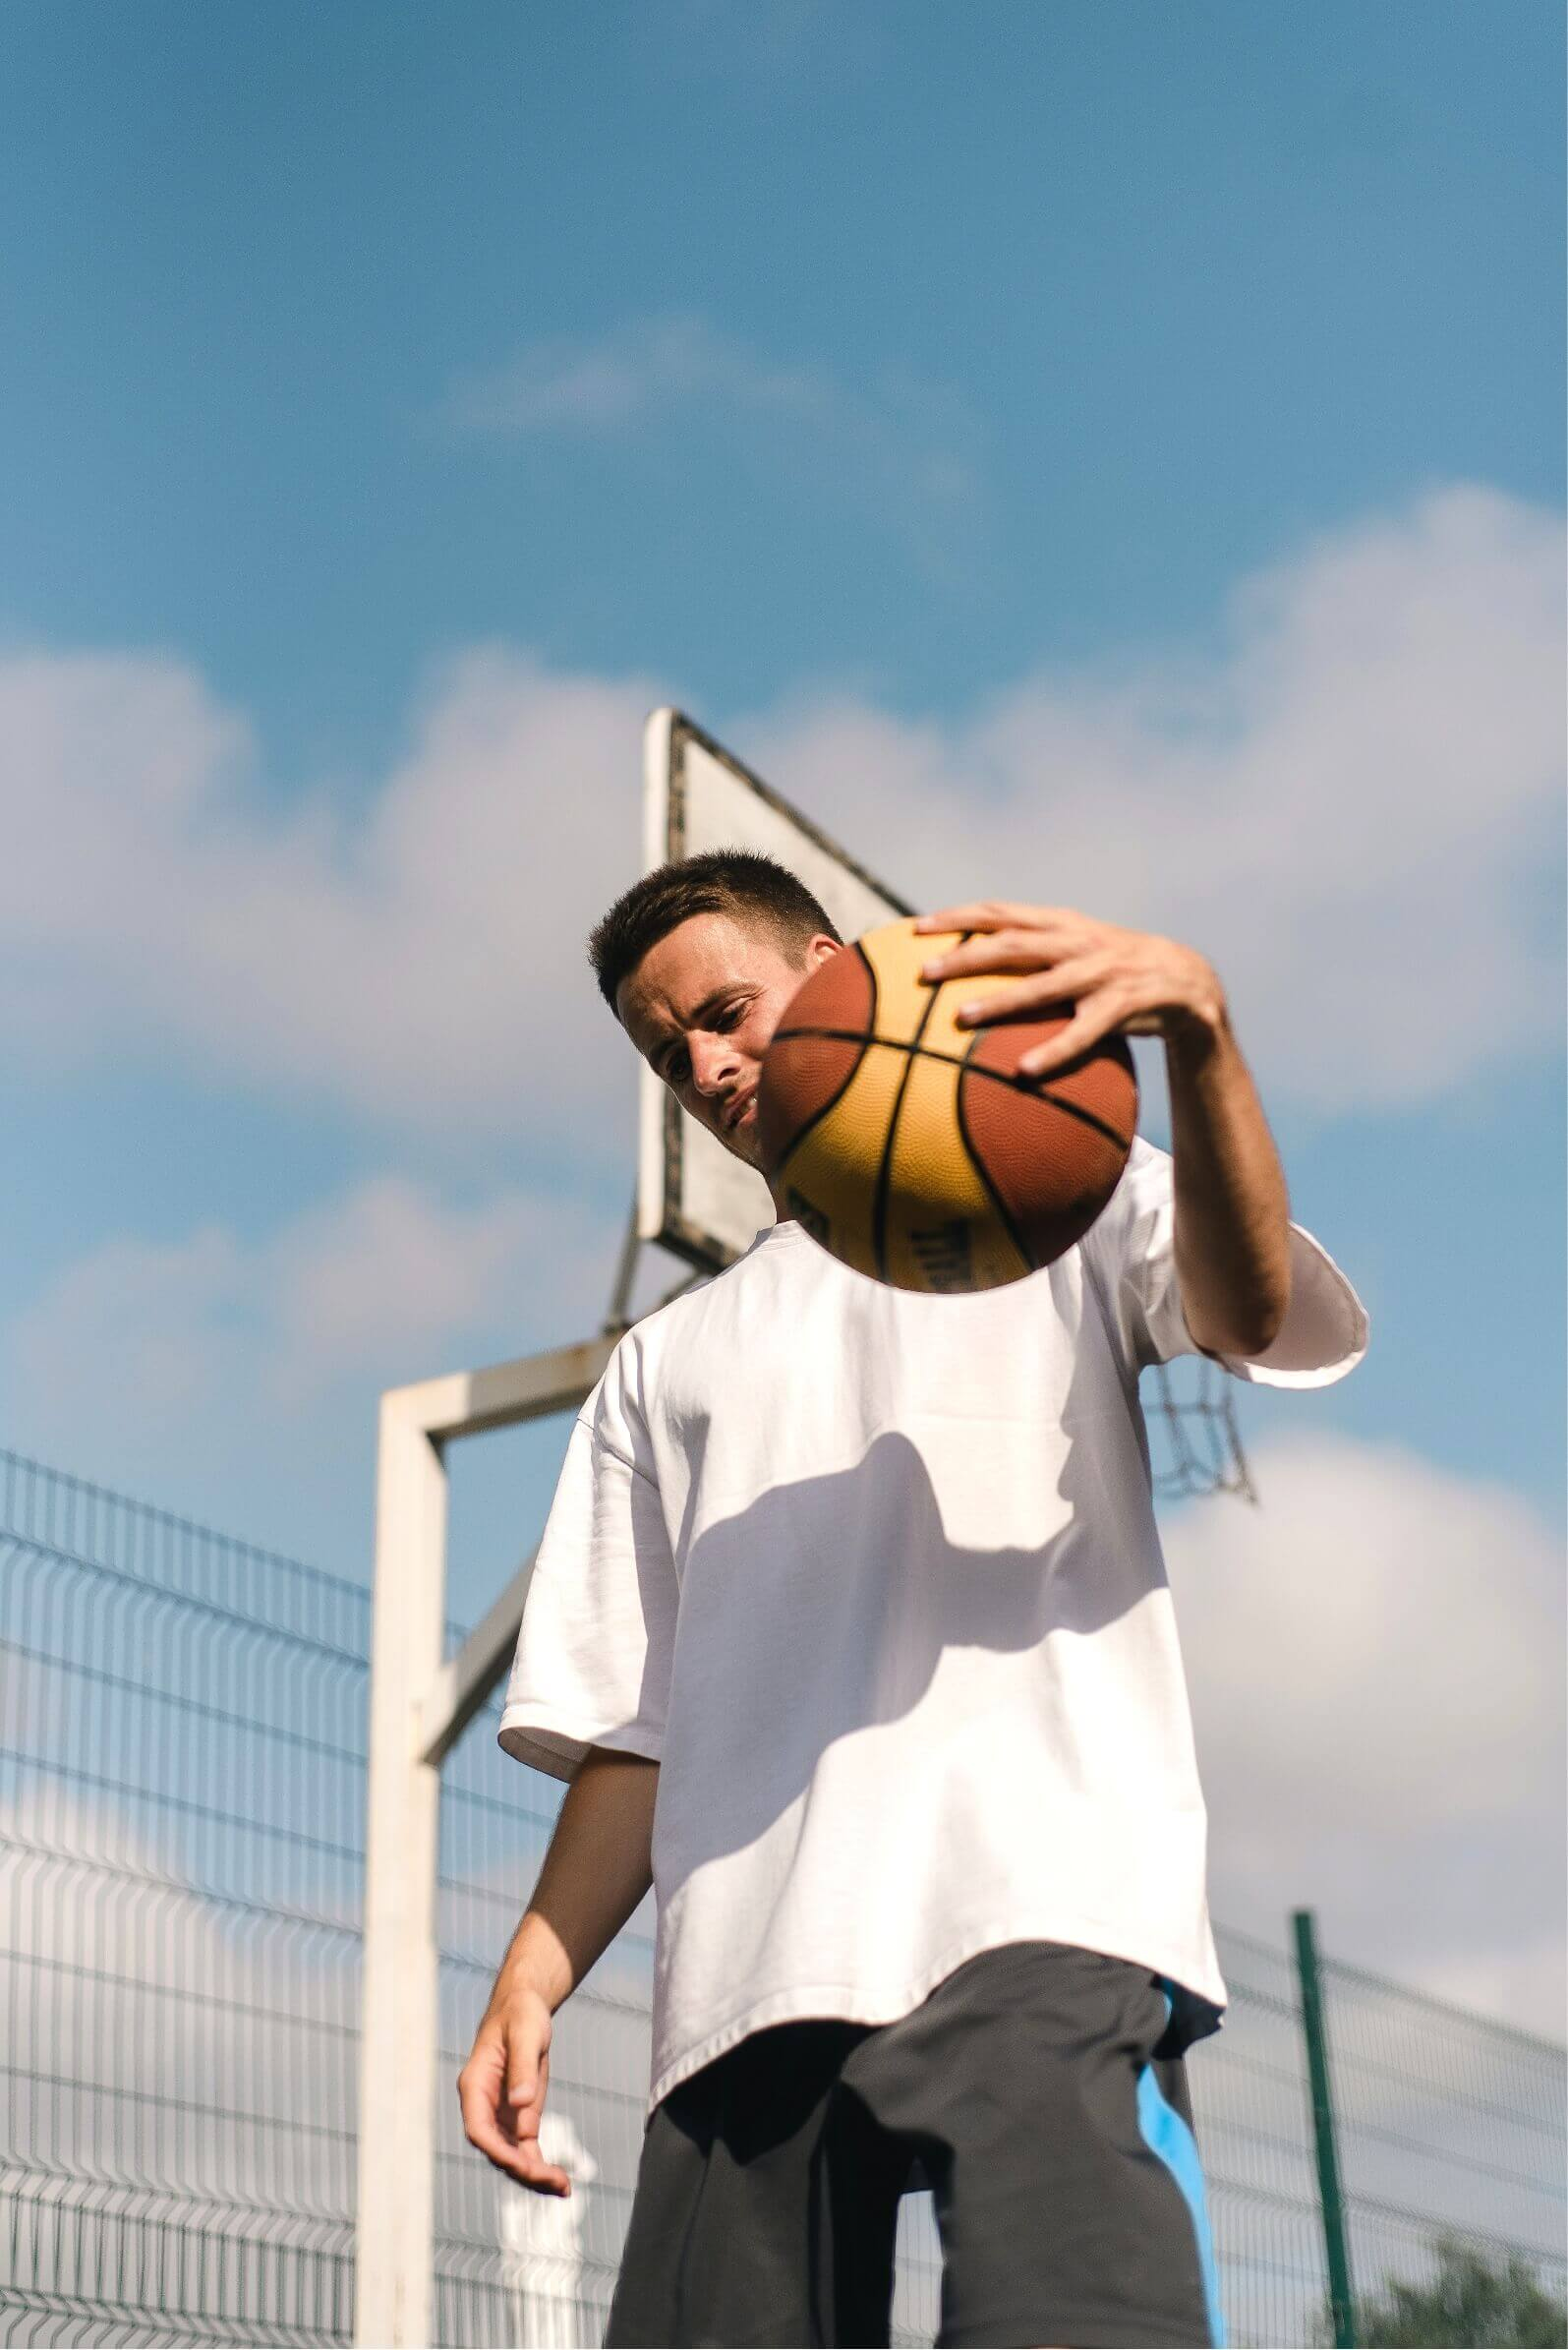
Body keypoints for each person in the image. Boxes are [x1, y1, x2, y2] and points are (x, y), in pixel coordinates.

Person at [458, 852, 1367, 2349]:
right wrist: (535, 1970)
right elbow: (638, 1727)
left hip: (1038, 1919)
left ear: (835, 971)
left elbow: (1250, 1304)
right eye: (664, 1049)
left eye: (729, 1009)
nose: (703, 1062)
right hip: (745, 1981)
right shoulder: (665, 1360)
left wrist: (1198, 1028)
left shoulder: (1053, 1194)